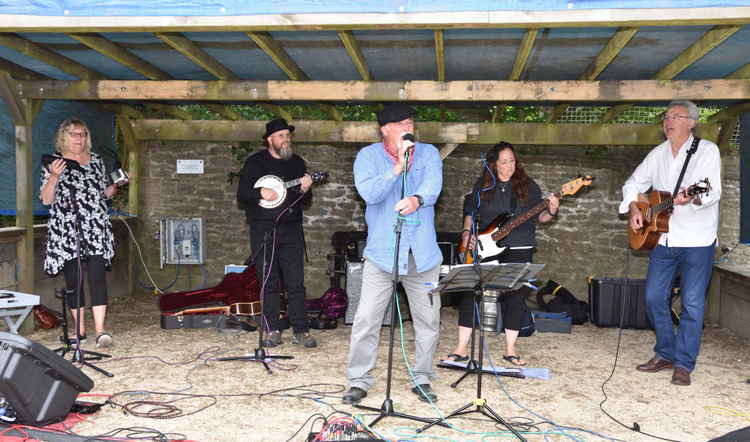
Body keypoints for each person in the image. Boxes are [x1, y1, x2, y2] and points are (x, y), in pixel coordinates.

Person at [342, 104, 443, 405]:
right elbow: (370, 194)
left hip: (422, 255)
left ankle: (422, 378)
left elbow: (433, 188)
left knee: (428, 321)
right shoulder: (367, 157)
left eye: (410, 121)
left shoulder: (429, 154)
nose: (407, 127)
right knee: (366, 320)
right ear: (384, 129)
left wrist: (417, 198)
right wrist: (398, 166)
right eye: (400, 123)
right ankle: (358, 381)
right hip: (382, 255)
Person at [620, 100, 721, 386]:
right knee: (653, 297)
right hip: (663, 239)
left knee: (691, 303)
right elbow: (633, 184)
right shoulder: (658, 154)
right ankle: (665, 352)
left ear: (691, 122)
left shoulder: (707, 151)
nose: (668, 121)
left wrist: (694, 196)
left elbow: (711, 191)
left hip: (698, 240)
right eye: (666, 117)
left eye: (675, 116)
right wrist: (635, 209)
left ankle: (684, 363)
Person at [448, 142, 559, 367]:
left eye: (512, 161)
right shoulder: (483, 186)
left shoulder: (529, 186)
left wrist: (552, 210)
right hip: (485, 246)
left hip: (520, 246)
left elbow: (542, 218)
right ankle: (460, 348)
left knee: (515, 296)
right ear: (493, 164)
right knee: (470, 291)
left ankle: (510, 349)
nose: (510, 166)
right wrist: (466, 234)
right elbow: (470, 213)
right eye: (504, 162)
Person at [236, 118, 317, 348]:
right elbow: (242, 195)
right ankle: (272, 330)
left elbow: (306, 201)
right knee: (268, 281)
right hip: (263, 229)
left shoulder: (297, 164)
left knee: (295, 282)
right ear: (269, 139)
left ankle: (301, 330)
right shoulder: (255, 163)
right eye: (281, 136)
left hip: (291, 229)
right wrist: (260, 192)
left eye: (288, 136)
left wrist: (304, 189)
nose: (285, 140)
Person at [40, 118, 117, 348]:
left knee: (97, 278)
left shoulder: (95, 161)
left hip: (95, 226)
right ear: (64, 136)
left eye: (83, 134)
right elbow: (46, 199)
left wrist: (111, 190)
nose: (79, 138)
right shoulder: (54, 162)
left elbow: (100, 193)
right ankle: (80, 331)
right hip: (67, 230)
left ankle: (101, 331)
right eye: (74, 134)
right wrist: (54, 177)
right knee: (75, 281)